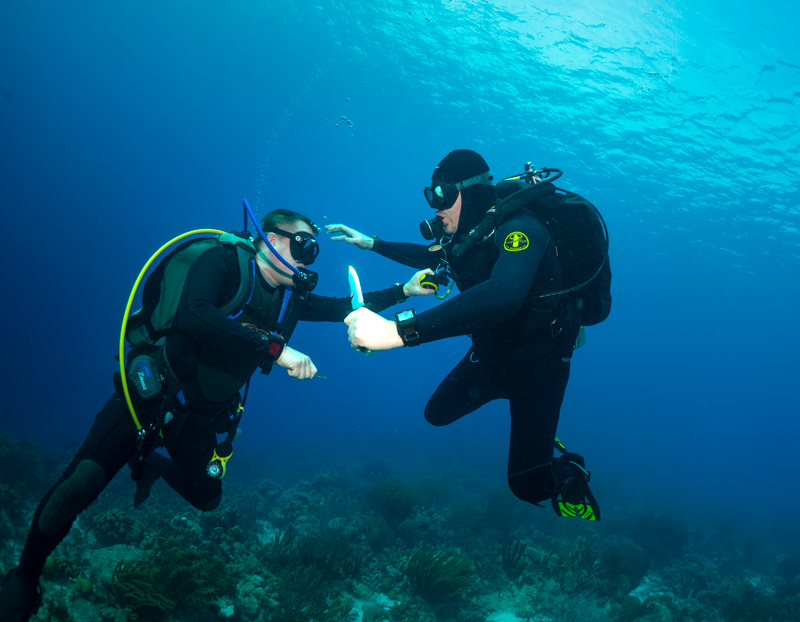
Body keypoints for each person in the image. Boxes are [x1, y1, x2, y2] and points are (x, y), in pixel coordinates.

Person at [0, 208, 430, 622]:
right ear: (271, 238)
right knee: (80, 484)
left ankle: (146, 458)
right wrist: (275, 350)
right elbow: (195, 314)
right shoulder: (224, 261)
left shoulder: (289, 298)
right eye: (302, 244)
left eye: (313, 249)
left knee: (207, 499)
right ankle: (24, 577)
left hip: (201, 417)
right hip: (153, 395)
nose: (307, 255)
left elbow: (341, 307)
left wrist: (403, 292)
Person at [327, 149, 607, 521]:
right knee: (436, 414)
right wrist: (372, 243)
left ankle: (573, 474)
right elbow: (431, 255)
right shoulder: (469, 239)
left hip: (539, 367)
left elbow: (505, 294)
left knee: (527, 485)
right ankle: (511, 406)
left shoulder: (521, 228)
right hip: (490, 357)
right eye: (431, 194)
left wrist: (399, 332)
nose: (434, 205)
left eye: (442, 194)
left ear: (470, 192)